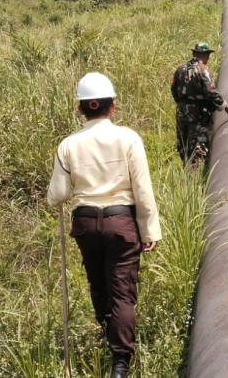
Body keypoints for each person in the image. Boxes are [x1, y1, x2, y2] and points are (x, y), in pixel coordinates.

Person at [47, 72, 161, 378]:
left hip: (85, 224)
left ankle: (106, 329)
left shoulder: (68, 145)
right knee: (122, 292)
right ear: (113, 106)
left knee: (98, 283)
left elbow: (56, 195)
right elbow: (142, 189)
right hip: (120, 222)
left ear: (81, 109)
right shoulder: (129, 138)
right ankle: (120, 363)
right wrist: (149, 229)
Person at [171, 42, 228, 167]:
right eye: (208, 55)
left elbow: (173, 88)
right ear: (206, 55)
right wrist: (225, 106)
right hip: (198, 114)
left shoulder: (180, 68)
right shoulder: (204, 71)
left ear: (194, 54)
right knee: (198, 145)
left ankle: (185, 168)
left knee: (183, 142)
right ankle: (194, 176)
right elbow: (211, 92)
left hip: (181, 112)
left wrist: (182, 104)